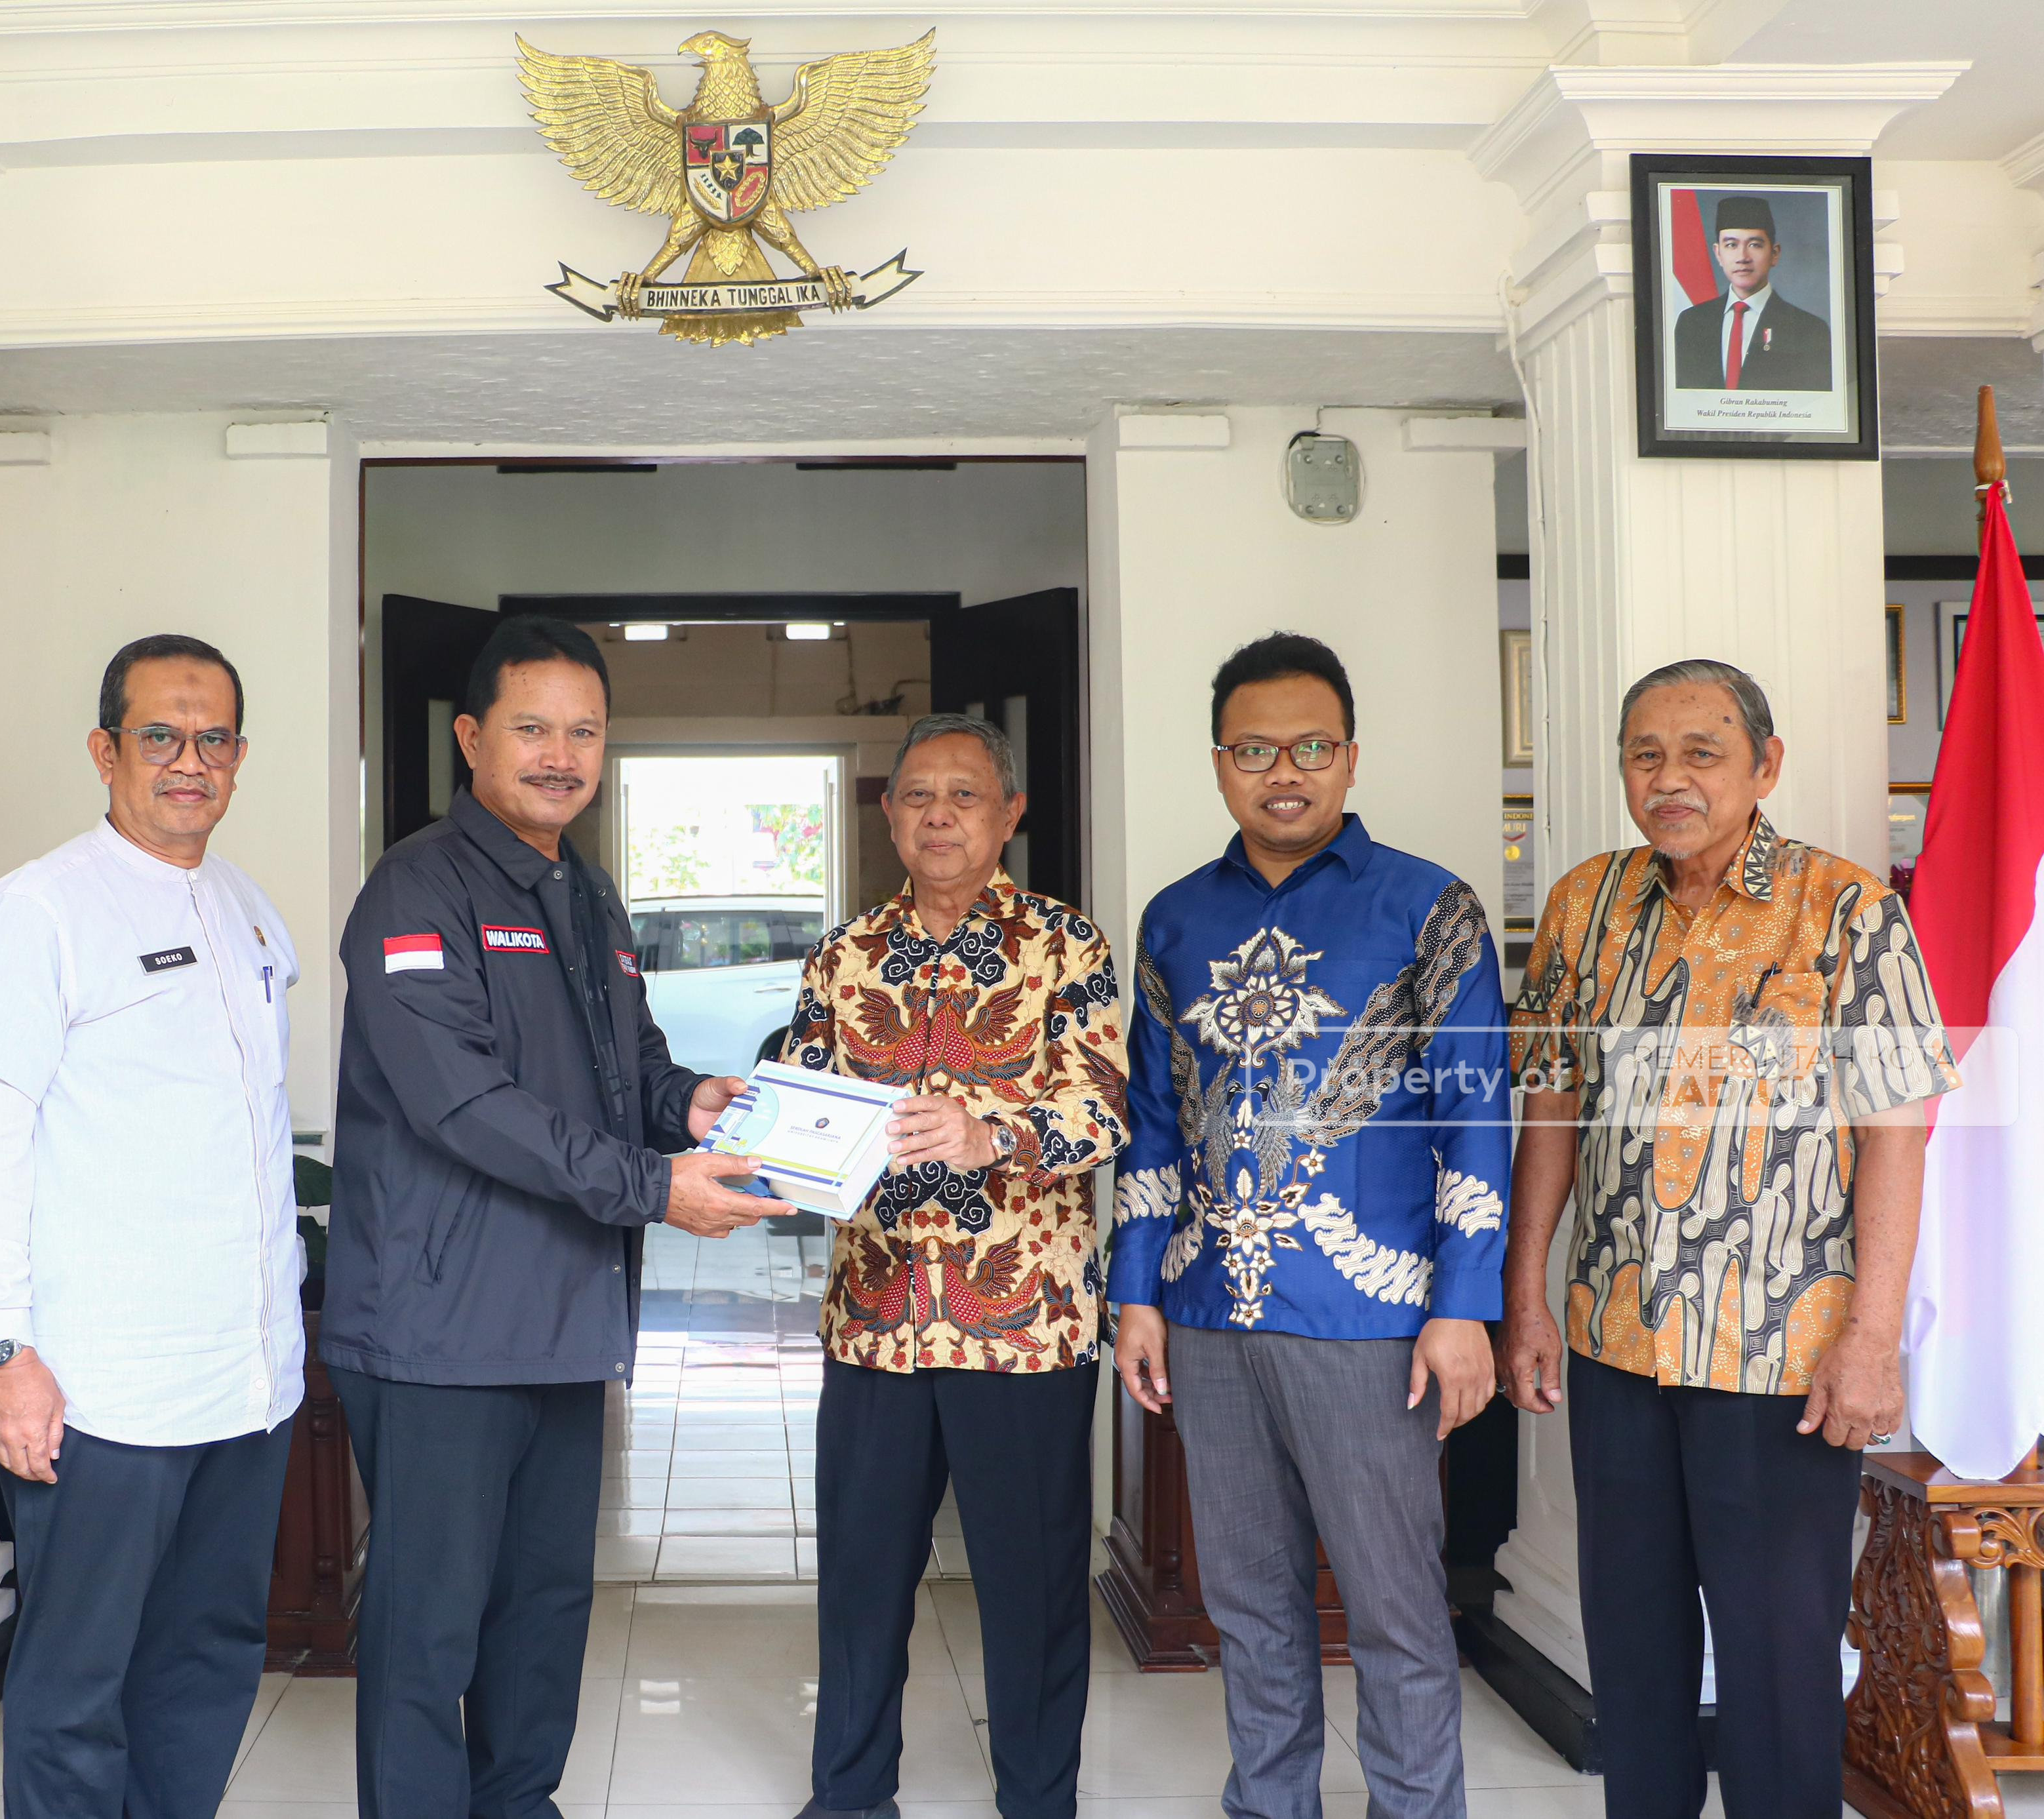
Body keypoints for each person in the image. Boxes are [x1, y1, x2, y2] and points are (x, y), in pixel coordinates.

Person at [325, 614, 774, 1819]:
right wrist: (654, 1187)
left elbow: (627, 1062)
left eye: (584, 731)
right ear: (473, 737)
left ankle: (520, 1803)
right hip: (441, 1333)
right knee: (429, 1629)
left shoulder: (587, 890)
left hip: (566, 1320)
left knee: (542, 1610)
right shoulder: (417, 888)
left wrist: (689, 1102)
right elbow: (464, 1101)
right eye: (533, 728)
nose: (560, 755)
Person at [1498, 659, 1956, 1819]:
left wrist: (1873, 1339)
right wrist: (1525, 1292)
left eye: (1702, 752)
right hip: (1614, 1338)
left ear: (1765, 765)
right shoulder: (1585, 904)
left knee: (1778, 1664)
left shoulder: (1846, 909)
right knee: (1634, 1653)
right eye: (1646, 754)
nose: (1671, 778)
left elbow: (1897, 1137)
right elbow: (1550, 1106)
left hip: (1780, 1358)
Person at [1111, 633, 1510, 1819]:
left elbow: (1477, 1116)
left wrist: (1465, 1306)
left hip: (1372, 1318)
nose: (1283, 771)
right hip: (1207, 1310)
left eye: (1310, 746)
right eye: (1254, 749)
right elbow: (1151, 1119)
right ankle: (1269, 1801)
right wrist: (1135, 1290)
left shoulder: (1429, 907)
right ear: (1218, 762)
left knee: (1392, 1605)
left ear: (1350, 755)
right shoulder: (1175, 918)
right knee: (1249, 1602)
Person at [0, 633, 304, 1819]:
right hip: (101, 1387)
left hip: (247, 1380)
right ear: (106, 751)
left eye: (214, 739)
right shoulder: (40, 907)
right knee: (77, 1680)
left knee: (208, 1656)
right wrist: (5, 1347)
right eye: (161, 735)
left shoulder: (245, 906)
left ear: (239, 755)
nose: (189, 761)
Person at [782, 712, 1129, 1819]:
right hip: (874, 1317)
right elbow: (799, 1099)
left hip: (1025, 1323)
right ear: (888, 814)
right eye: (919, 795)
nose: (940, 815)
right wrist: (769, 1143)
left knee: (1033, 1585)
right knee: (861, 1579)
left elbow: (1104, 1109)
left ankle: (1039, 1796)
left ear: (1009, 812)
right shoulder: (842, 953)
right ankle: (849, 1794)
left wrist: (990, 1132)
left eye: (965, 794)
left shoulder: (1065, 945)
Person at [1671, 196, 1832, 392]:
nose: (1743, 257)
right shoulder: (1691, 323)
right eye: (1731, 245)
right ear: (1718, 254)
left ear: (1774, 254)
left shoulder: (1809, 330)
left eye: (1755, 244)